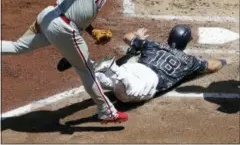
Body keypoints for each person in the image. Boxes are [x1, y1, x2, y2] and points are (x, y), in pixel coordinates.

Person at [1, 0, 129, 123]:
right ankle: (107, 111)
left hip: (49, 18)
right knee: (86, 69)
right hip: (63, 28)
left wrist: (92, 31)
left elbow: (79, 10)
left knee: (18, 47)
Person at [57, 25, 235, 103]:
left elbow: (127, 37)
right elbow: (211, 66)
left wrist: (138, 36)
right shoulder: (189, 61)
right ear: (187, 42)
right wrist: (224, 61)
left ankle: (85, 61)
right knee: (125, 89)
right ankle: (106, 67)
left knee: (102, 77)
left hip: (133, 70)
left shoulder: (154, 45)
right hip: (144, 85)